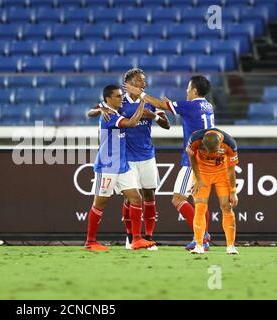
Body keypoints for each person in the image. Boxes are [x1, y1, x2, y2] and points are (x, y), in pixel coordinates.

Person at [124, 75, 214, 251]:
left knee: (178, 199)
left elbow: (159, 105)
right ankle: (203, 239)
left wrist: (140, 93)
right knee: (200, 201)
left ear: (194, 91)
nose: (186, 91)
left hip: (193, 161)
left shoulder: (190, 105)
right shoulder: (208, 105)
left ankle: (202, 234)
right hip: (207, 160)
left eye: (188, 88)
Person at [88, 68, 170, 250]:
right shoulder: (118, 101)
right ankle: (130, 236)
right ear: (131, 83)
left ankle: (147, 237)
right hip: (126, 157)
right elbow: (90, 113)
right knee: (130, 198)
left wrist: (155, 116)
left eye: (145, 80)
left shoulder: (150, 101)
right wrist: (101, 110)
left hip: (147, 155)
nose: (144, 83)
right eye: (141, 80)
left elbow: (167, 126)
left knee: (148, 195)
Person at [186, 128, 239, 255]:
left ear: (220, 144)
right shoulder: (194, 139)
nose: (210, 154)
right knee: (200, 208)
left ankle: (230, 246)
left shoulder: (230, 143)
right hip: (202, 174)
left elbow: (231, 170)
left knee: (226, 207)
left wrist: (233, 191)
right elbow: (192, 158)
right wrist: (198, 179)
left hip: (222, 174)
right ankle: (199, 245)